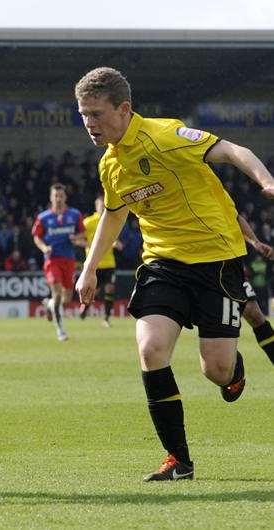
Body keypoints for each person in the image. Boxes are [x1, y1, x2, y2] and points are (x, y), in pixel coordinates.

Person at [74, 66, 274, 482]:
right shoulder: (110, 166)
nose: (89, 123)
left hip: (217, 259)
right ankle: (178, 460)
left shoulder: (166, 137)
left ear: (124, 108)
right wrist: (89, 268)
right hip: (162, 264)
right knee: (150, 350)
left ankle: (233, 371)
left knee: (216, 370)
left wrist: (266, 181)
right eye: (83, 115)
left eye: (96, 113)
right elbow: (114, 216)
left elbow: (234, 151)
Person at [33, 183, 85, 341]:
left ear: (65, 197)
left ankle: (49, 305)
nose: (58, 198)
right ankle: (60, 330)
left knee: (66, 299)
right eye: (55, 196)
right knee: (56, 293)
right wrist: (44, 248)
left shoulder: (75, 214)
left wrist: (75, 238)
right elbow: (36, 236)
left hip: (68, 259)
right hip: (52, 260)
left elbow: (82, 233)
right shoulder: (43, 217)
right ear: (51, 198)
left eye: (61, 195)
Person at [237, 214, 274, 365]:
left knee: (254, 314)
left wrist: (255, 242)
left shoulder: (216, 193)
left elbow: (234, 216)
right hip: (188, 265)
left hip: (226, 263)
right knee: (217, 368)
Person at [77, 195, 119, 327]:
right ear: (96, 207)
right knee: (93, 291)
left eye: (103, 205)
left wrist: (116, 243)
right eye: (100, 205)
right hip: (94, 263)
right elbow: (77, 238)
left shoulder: (111, 221)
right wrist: (88, 245)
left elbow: (113, 236)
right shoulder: (88, 222)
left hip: (109, 263)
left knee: (110, 288)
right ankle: (85, 308)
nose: (102, 207)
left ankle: (106, 318)